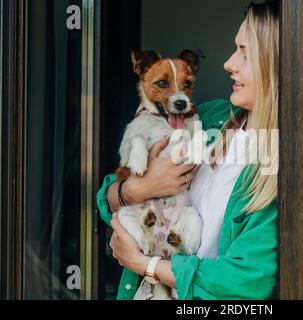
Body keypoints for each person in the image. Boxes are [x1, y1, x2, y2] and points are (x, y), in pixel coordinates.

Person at [96, 0, 279, 300]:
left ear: (276, 63)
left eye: (245, 54)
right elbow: (107, 198)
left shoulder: (276, 158)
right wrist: (137, 190)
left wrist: (144, 263)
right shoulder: (210, 118)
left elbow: (245, 282)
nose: (228, 63)